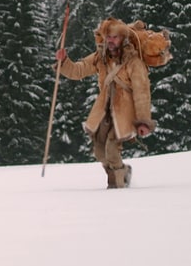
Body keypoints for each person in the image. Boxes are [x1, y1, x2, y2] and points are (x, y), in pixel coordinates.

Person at [55, 17, 155, 188]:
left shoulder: (134, 61)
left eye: (114, 37)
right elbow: (78, 70)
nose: (110, 40)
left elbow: (142, 92)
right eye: (108, 37)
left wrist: (143, 120)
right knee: (100, 152)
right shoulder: (99, 57)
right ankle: (122, 173)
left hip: (126, 111)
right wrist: (64, 62)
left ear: (123, 38)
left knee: (111, 149)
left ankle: (116, 187)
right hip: (104, 109)